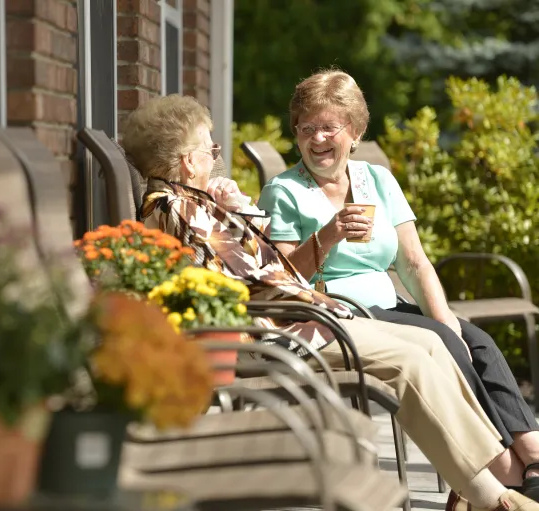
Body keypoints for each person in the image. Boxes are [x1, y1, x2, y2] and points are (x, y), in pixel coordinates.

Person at [120, 93, 539, 511]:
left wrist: (231, 207)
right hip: (283, 328)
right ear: (189, 162)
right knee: (412, 361)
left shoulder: (189, 203)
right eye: (210, 149)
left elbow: (247, 266)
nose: (216, 157)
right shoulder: (180, 209)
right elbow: (254, 277)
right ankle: (498, 496)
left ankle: (495, 483)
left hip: (301, 317)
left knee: (431, 344)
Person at [256, 69, 539, 502]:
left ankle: (529, 459)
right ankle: (507, 474)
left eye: (328, 127)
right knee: (442, 341)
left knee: (475, 341)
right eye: (306, 128)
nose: (317, 139)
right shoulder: (284, 192)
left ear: (354, 130)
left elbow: (413, 261)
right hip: (343, 315)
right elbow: (282, 279)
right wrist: (328, 235)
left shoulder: (377, 180)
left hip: (390, 305)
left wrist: (445, 319)